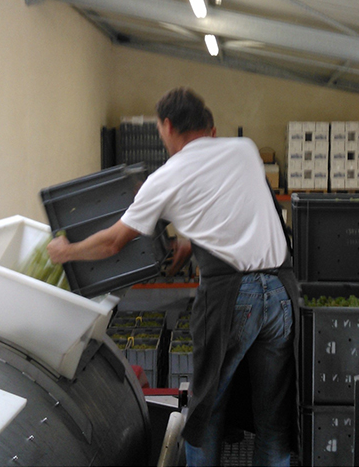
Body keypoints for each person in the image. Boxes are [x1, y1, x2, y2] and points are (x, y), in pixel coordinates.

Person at [47, 87, 299, 466]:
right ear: (207, 124)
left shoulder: (166, 178)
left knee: (206, 410)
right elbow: (229, 203)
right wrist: (186, 245)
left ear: (166, 125)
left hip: (233, 298)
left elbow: (113, 243)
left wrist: (67, 252)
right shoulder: (244, 149)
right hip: (281, 292)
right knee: (273, 417)